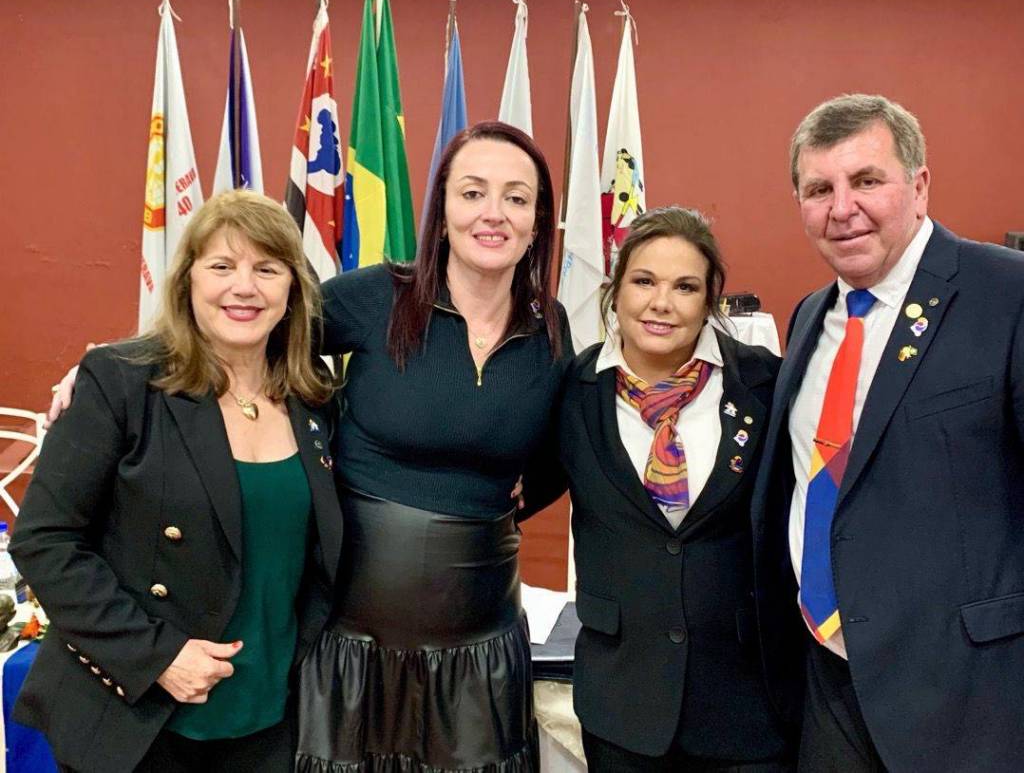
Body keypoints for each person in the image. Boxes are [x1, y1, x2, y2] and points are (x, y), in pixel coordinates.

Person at [11, 190, 343, 772]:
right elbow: (45, 540)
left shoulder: (315, 399)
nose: (244, 287)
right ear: (188, 279)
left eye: (267, 269)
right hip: (141, 719)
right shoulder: (122, 382)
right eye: (222, 266)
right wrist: (156, 656)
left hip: (272, 719)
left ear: (293, 289)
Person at [751, 93, 1024, 771]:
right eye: (819, 189)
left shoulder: (1007, 294)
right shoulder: (810, 316)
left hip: (971, 701)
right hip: (829, 685)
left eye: (867, 180)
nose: (842, 208)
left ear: (920, 185)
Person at [294, 121, 570, 771]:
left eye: (516, 198)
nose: (493, 213)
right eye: (473, 193)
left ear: (538, 222)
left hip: (479, 650)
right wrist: (118, 369)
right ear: (442, 211)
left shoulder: (550, 330)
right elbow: (245, 329)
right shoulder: (378, 296)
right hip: (351, 646)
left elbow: (563, 453)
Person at [560, 206, 801, 771]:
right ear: (615, 290)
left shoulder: (766, 384)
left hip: (747, 708)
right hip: (622, 703)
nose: (661, 303)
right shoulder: (572, 390)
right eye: (644, 281)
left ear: (710, 299)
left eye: (685, 287)